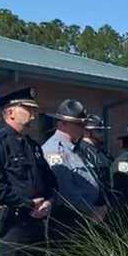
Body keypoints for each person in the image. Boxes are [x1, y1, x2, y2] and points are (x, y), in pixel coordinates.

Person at [0, 87, 56, 256]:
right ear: (10, 112)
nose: (34, 114)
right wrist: (28, 204)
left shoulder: (33, 146)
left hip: (34, 225)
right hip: (10, 225)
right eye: (27, 108)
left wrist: (48, 201)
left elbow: (50, 182)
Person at [40, 99, 105, 242]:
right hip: (68, 221)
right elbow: (64, 190)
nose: (82, 127)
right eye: (77, 123)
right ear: (62, 123)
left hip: (85, 219)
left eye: (83, 123)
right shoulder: (55, 150)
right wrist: (91, 210)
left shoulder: (75, 148)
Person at [77, 114, 115, 195]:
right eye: (98, 131)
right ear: (86, 132)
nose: (102, 134)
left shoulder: (103, 153)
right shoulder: (81, 151)